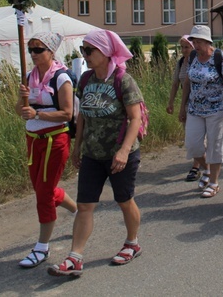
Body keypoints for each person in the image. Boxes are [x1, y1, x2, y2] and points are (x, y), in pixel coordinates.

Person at [48, 29, 144, 277]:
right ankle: (75, 257)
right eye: (83, 50)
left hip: (119, 153)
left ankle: (132, 243)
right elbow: (81, 116)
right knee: (84, 205)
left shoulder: (123, 80)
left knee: (124, 200)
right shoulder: (86, 79)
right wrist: (77, 146)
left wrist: (123, 151)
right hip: (92, 153)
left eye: (89, 50)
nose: (85, 55)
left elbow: (136, 118)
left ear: (105, 52)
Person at [16, 32, 77, 268]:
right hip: (33, 140)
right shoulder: (29, 76)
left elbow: (67, 113)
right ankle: (78, 211)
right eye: (30, 50)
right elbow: (19, 111)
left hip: (55, 140)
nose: (33, 54)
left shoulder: (61, 79)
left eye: (38, 50)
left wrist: (38, 113)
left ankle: (42, 247)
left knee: (43, 194)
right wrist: (21, 100)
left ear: (51, 52)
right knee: (43, 189)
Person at [179, 25, 223, 198]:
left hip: (217, 109)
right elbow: (187, 83)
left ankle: (213, 182)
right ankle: (206, 169)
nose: (195, 45)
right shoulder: (193, 58)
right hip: (195, 109)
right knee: (192, 144)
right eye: (194, 42)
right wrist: (183, 106)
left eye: (198, 42)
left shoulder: (220, 58)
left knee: (215, 145)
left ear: (207, 42)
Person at [166, 35, 202, 182]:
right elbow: (175, 83)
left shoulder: (198, 61)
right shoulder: (181, 62)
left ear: (193, 47)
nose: (184, 50)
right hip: (186, 103)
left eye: (187, 47)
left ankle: (197, 166)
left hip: (200, 103)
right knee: (189, 135)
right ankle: (202, 160)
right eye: (182, 47)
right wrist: (171, 103)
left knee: (197, 136)